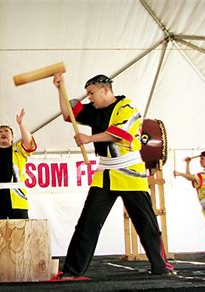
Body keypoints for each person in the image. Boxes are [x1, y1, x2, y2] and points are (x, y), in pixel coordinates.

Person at [52, 73, 174, 278]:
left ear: (105, 89)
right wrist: (59, 88)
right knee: (88, 222)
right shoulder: (94, 110)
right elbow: (68, 114)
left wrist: (89, 138)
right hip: (105, 173)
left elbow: (119, 133)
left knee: (145, 223)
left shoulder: (128, 108)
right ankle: (72, 270)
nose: (89, 97)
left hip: (129, 172)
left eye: (91, 93)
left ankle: (160, 265)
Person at [174, 151, 205, 258]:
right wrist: (187, 164)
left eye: (202, 159)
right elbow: (192, 177)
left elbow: (191, 177)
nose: (200, 161)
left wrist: (180, 174)